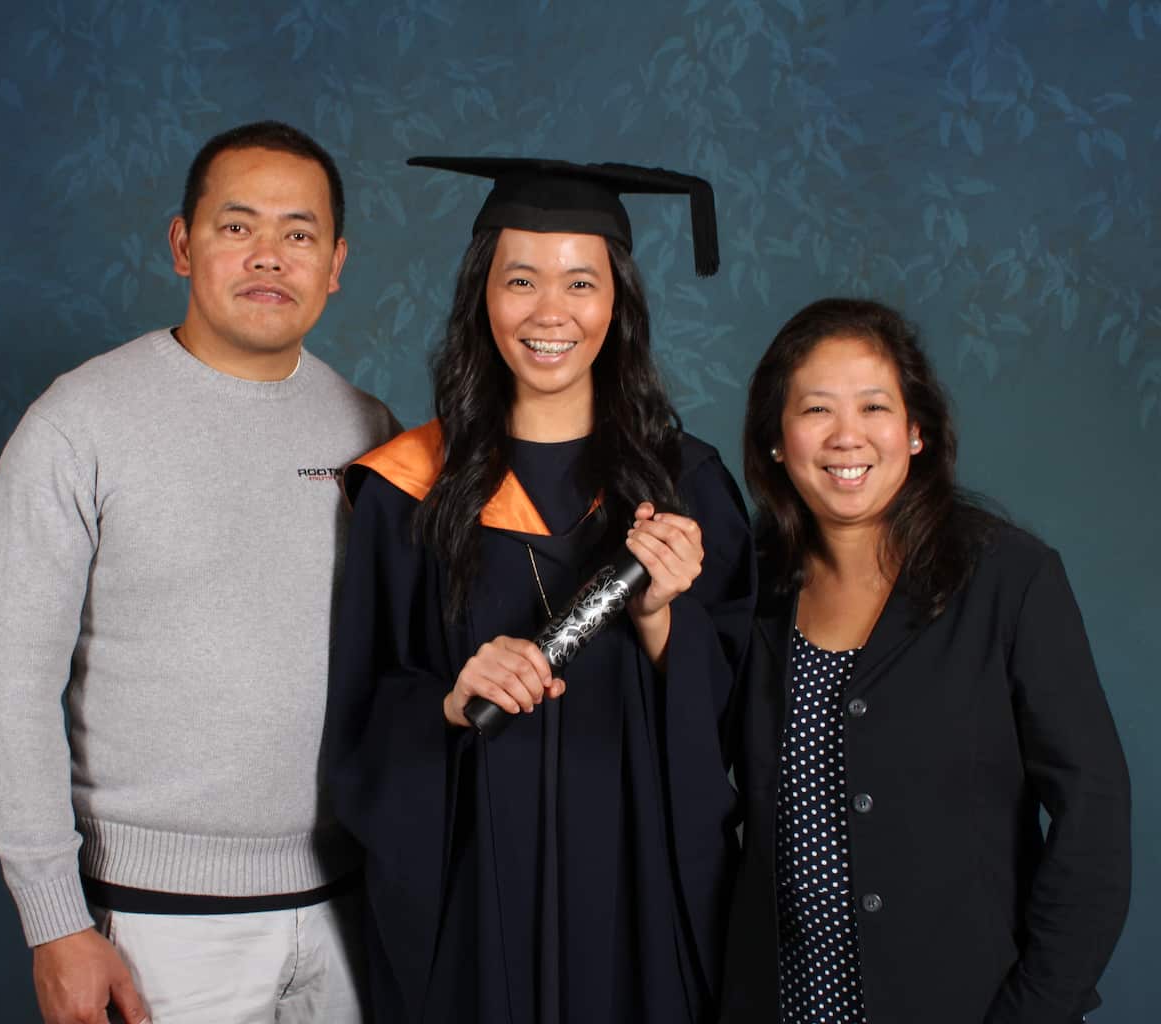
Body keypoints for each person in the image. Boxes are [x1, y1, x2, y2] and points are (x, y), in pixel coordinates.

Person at [0, 120, 398, 1024]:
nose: (269, 257)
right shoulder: (79, 423)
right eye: (237, 226)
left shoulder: (370, 431)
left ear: (336, 262)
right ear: (181, 243)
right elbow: (10, 686)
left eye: (299, 232)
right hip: (154, 928)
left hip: (349, 906)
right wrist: (54, 923)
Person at [323, 157, 756, 1024]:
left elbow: (748, 704)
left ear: (618, 304)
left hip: (639, 898)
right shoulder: (408, 491)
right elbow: (357, 720)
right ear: (482, 296)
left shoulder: (687, 487)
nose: (550, 312)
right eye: (520, 280)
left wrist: (663, 617)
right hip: (475, 906)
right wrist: (448, 702)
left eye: (581, 283)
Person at [720, 297, 1131, 1023]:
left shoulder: (1009, 578)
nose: (847, 437)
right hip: (782, 1003)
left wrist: (1036, 1011)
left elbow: (1093, 815)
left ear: (916, 432)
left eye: (874, 407)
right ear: (776, 441)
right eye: (816, 410)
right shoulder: (748, 587)